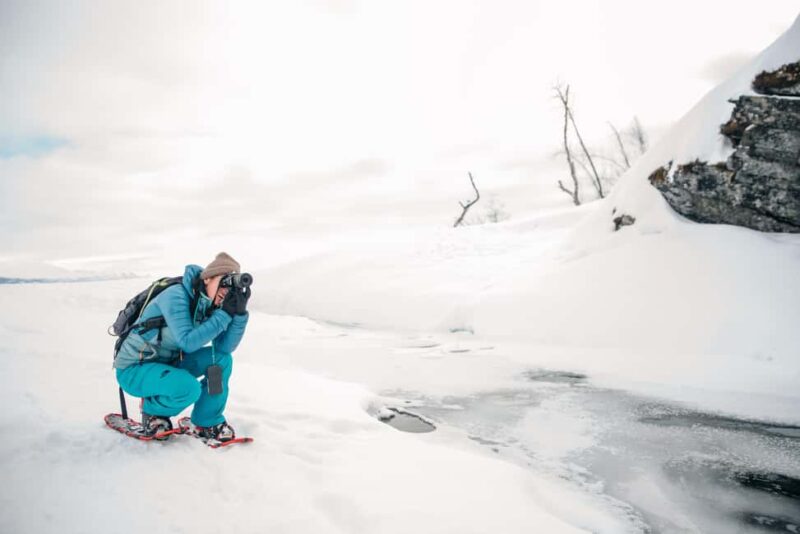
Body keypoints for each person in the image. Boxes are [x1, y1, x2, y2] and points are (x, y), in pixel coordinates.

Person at [114, 252, 251, 441]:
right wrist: (224, 315)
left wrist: (239, 315)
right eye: (224, 281)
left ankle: (207, 420)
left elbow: (223, 348)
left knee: (221, 360)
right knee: (189, 388)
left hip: (169, 365)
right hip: (134, 369)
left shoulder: (211, 307)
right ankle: (153, 412)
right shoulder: (175, 295)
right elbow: (187, 342)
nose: (226, 291)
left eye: (231, 286)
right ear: (207, 278)